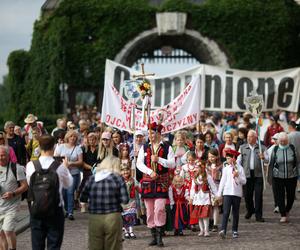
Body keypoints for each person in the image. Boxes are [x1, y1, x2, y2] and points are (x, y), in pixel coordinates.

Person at [26, 135, 73, 250]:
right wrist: (66, 168)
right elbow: (69, 184)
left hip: (36, 209)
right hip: (55, 210)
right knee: (54, 246)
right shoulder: (60, 167)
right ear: (54, 147)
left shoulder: (30, 165)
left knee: (37, 246)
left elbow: (29, 184)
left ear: (40, 147)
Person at [137, 122, 175, 247]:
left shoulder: (167, 147)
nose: (150, 135)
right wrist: (150, 171)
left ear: (158, 133)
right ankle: (153, 235)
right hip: (148, 181)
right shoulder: (144, 147)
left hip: (161, 181)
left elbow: (172, 164)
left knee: (159, 208)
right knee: (149, 210)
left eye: (152, 133)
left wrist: (159, 160)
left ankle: (160, 236)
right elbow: (139, 164)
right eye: (149, 133)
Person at [80, 155, 129, 250]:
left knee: (95, 245)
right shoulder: (118, 178)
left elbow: (83, 198)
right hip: (113, 216)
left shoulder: (92, 178)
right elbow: (125, 200)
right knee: (113, 245)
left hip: (95, 216)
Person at [0, 145, 28, 250]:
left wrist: (13, 193)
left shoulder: (17, 168)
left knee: (7, 230)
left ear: (8, 155)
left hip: (12, 205)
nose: (0, 158)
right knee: (0, 233)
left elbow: (25, 186)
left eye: (3, 155)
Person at [267, 132, 298, 223]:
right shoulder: (275, 149)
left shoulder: (292, 148)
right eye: (281, 141)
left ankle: (287, 209)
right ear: (279, 141)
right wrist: (270, 177)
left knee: (291, 196)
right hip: (278, 177)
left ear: (287, 140)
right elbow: (271, 163)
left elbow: (297, 161)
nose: (283, 142)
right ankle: (283, 214)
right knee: (279, 196)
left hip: (291, 176)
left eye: (284, 141)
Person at [237, 130, 267, 222]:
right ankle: (250, 210)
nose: (248, 138)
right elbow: (238, 161)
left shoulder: (262, 148)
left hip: (258, 175)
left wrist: (264, 157)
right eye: (248, 136)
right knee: (247, 195)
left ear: (255, 137)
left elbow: (267, 161)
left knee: (258, 196)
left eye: (251, 136)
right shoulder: (242, 148)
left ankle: (258, 215)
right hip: (247, 175)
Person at [217, 148, 246, 239]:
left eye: (229, 158)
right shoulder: (226, 169)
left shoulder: (240, 168)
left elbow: (244, 181)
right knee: (225, 212)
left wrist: (238, 176)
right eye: (226, 158)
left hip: (237, 193)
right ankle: (223, 230)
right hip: (227, 192)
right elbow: (222, 181)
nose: (227, 160)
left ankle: (235, 230)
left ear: (234, 158)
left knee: (235, 212)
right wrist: (219, 193)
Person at [54, 130, 83, 220]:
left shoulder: (78, 148)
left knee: (70, 192)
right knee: (62, 192)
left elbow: (80, 161)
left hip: (73, 173)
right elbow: (55, 158)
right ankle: (65, 210)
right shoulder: (61, 147)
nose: (73, 138)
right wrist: (62, 163)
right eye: (71, 136)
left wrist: (71, 164)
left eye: (74, 136)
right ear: (67, 137)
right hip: (62, 173)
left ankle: (70, 212)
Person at [189, 161, 217, 237]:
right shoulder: (194, 177)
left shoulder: (208, 176)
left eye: (198, 167)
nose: (196, 169)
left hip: (205, 198)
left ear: (202, 168)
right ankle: (201, 230)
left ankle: (206, 230)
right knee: (199, 216)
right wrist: (191, 197)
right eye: (196, 167)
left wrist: (216, 195)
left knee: (205, 215)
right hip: (197, 198)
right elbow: (192, 188)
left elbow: (213, 186)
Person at [206, 148, 223, 232]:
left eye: (212, 157)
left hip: (217, 186)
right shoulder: (206, 166)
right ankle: (210, 221)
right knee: (209, 206)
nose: (211, 158)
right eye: (209, 157)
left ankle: (215, 224)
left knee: (215, 206)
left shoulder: (221, 166)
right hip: (208, 188)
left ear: (216, 157)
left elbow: (223, 177)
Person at [120, 163, 138, 239]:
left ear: (129, 171)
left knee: (130, 216)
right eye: (123, 170)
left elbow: (136, 188)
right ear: (120, 172)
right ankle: (126, 232)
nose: (125, 172)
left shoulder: (132, 180)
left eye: (127, 170)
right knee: (124, 217)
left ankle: (131, 231)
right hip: (122, 202)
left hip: (131, 201)